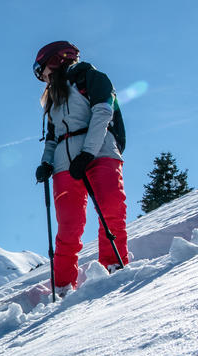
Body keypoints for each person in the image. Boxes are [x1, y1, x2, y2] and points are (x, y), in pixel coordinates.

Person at [33, 41, 129, 294]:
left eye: (41, 69)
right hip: (65, 165)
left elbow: (102, 114)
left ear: (55, 61)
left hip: (101, 152)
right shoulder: (53, 97)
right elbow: (53, 136)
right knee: (69, 225)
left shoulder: (92, 77)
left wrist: (88, 153)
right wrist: (46, 162)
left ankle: (113, 267)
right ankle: (64, 286)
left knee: (111, 208)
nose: (41, 76)